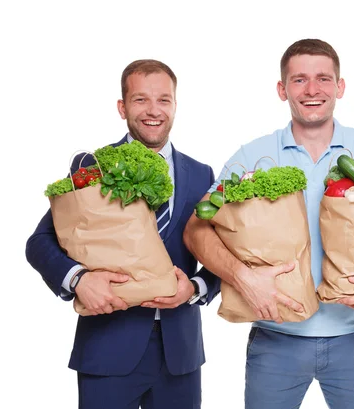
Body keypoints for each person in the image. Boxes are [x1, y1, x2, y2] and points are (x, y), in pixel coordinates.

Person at [184, 39, 354, 409]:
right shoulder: (253, 155)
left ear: (340, 87)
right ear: (282, 89)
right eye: (299, 80)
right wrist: (243, 277)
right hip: (275, 342)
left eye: (323, 79)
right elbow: (197, 228)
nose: (312, 90)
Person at [26, 59, 220, 409]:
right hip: (108, 347)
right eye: (140, 99)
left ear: (175, 105)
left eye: (164, 99)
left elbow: (224, 252)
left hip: (181, 355)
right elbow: (39, 243)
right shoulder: (94, 167)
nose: (153, 110)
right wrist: (79, 280)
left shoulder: (201, 173)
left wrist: (197, 288)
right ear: (122, 107)